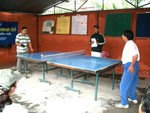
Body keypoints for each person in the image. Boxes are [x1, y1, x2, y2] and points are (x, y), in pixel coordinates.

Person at [115, 30, 140, 109]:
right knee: (132, 83)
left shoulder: (129, 44)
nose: (121, 36)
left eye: (122, 35)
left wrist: (131, 66)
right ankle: (133, 98)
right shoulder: (132, 43)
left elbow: (135, 56)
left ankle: (124, 103)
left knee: (123, 85)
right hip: (135, 64)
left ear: (126, 36)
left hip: (131, 65)